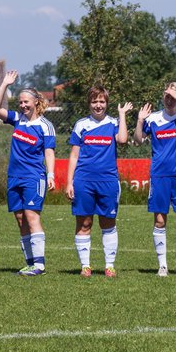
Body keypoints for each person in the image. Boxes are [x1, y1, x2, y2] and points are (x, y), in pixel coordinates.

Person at [0, 71, 56, 276]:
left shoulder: (45, 126)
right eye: (20, 102)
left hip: (34, 178)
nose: (23, 105)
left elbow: (49, 151)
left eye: (26, 102)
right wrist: (4, 84)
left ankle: (39, 265)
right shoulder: (17, 120)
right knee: (20, 218)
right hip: (14, 177)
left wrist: (51, 175)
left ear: (36, 102)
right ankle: (30, 263)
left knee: (31, 216)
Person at [67, 88, 132, 277]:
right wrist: (69, 182)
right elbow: (74, 155)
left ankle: (109, 265)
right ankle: (85, 266)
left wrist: (122, 115)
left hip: (108, 181)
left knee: (107, 221)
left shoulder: (113, 123)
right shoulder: (81, 125)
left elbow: (123, 139)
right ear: (89, 103)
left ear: (107, 103)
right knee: (84, 222)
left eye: (102, 102)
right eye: (94, 101)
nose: (98, 105)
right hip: (83, 181)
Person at [135, 82, 176, 276]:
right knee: (159, 221)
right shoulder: (153, 119)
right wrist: (140, 121)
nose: (169, 98)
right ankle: (163, 266)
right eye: (167, 94)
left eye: (174, 94)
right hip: (159, 174)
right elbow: (137, 140)